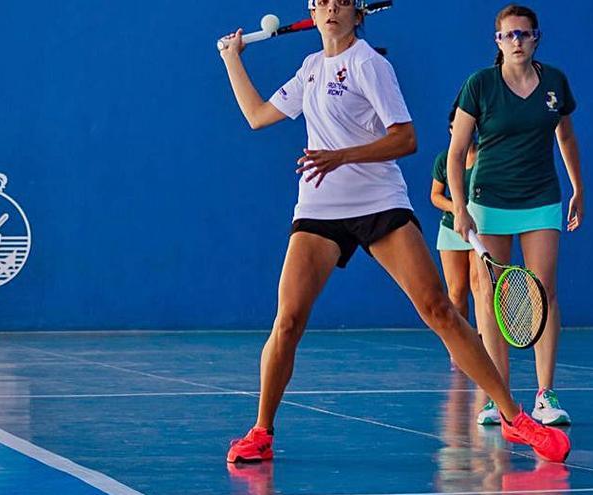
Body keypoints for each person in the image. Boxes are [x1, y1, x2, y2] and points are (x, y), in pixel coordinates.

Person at [217, 0, 570, 463]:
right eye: (322, 2)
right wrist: (232, 60)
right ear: (312, 10)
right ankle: (262, 432)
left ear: (357, 14)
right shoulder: (309, 69)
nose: (331, 9)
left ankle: (512, 417)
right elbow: (258, 115)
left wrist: (341, 155)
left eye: (341, 2)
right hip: (320, 206)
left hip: (379, 203)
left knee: (439, 310)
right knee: (287, 320)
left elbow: (406, 138)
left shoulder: (370, 64)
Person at [448, 4, 584, 426]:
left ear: (536, 37)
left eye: (525, 34)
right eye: (509, 35)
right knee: (489, 297)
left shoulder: (555, 82)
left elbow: (565, 135)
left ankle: (545, 394)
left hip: (541, 197)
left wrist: (578, 187)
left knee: (543, 290)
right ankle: (496, 396)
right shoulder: (480, 85)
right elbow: (456, 153)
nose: (517, 42)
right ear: (498, 41)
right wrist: (459, 208)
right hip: (488, 201)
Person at [431, 105, 479, 368]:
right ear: (451, 130)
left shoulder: (486, 158)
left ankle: (482, 343)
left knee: (479, 285)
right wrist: (459, 210)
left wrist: (475, 214)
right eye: (456, 126)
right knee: (457, 291)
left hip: (481, 231)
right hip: (451, 229)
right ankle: (459, 347)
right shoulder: (444, 160)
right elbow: (435, 196)